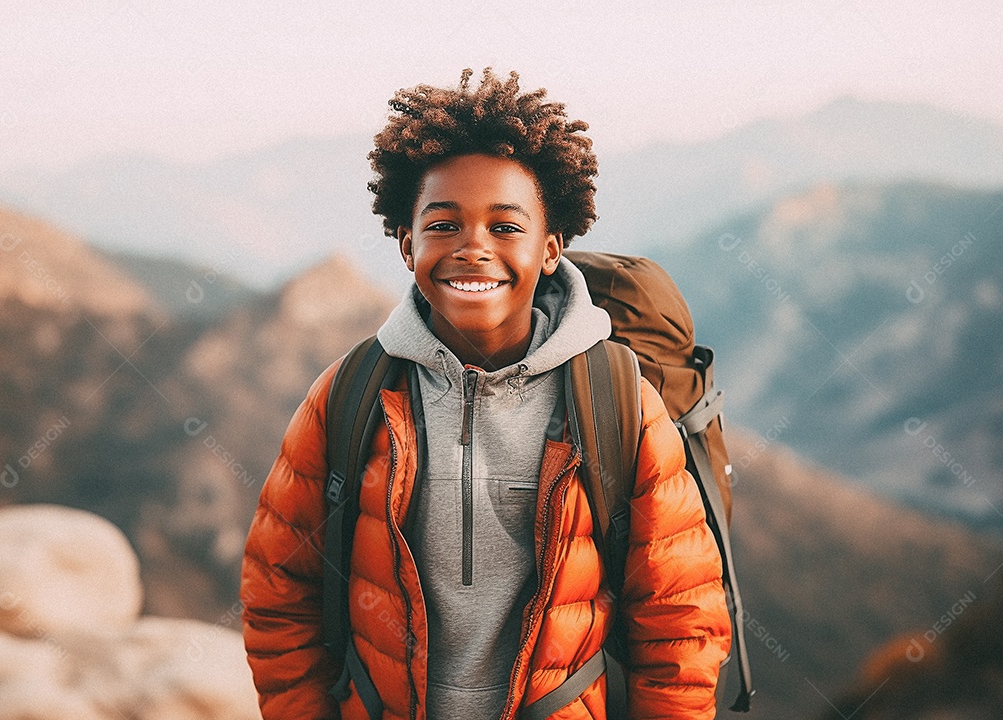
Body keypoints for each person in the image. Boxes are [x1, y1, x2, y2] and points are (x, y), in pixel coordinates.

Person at [240, 67, 732, 720]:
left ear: (551, 249)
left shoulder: (616, 401)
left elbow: (680, 619)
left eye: (505, 228)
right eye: (444, 226)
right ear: (407, 244)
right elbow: (280, 591)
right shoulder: (350, 394)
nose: (474, 247)